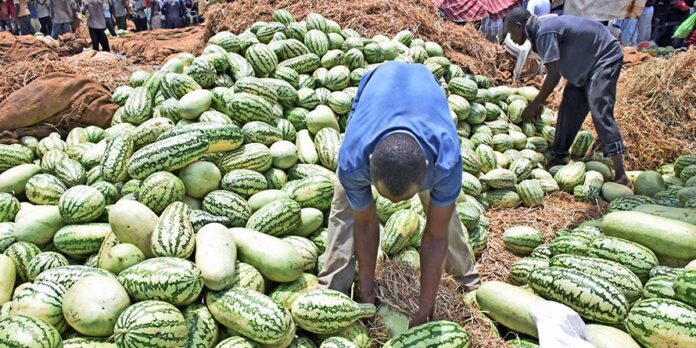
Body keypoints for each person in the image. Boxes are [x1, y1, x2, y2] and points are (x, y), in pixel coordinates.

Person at [317, 61, 480, 327]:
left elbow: (434, 237)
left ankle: (466, 280)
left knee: (443, 213)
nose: (394, 205)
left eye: (404, 199)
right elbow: (366, 224)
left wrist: (425, 309)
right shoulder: (354, 158)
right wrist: (367, 291)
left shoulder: (446, 161)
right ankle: (333, 290)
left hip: (424, 88)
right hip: (378, 82)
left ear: (426, 169)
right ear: (369, 163)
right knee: (345, 203)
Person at [504, 8, 629, 185]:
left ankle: (621, 174)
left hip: (604, 56)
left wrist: (535, 104)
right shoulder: (540, 31)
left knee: (599, 110)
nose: (512, 39)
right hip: (585, 65)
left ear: (519, 26)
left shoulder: (544, 32)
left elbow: (554, 75)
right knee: (569, 107)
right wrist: (539, 102)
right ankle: (559, 154)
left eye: (511, 33)